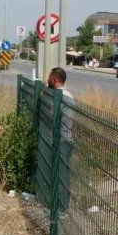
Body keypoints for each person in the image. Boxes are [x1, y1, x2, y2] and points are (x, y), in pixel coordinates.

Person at [48, 68, 74, 214]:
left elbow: (52, 116)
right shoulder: (68, 94)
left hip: (62, 139)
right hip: (66, 137)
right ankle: (60, 204)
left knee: (62, 175)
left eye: (49, 77)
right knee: (60, 173)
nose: (48, 80)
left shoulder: (60, 96)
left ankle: (62, 207)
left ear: (55, 79)